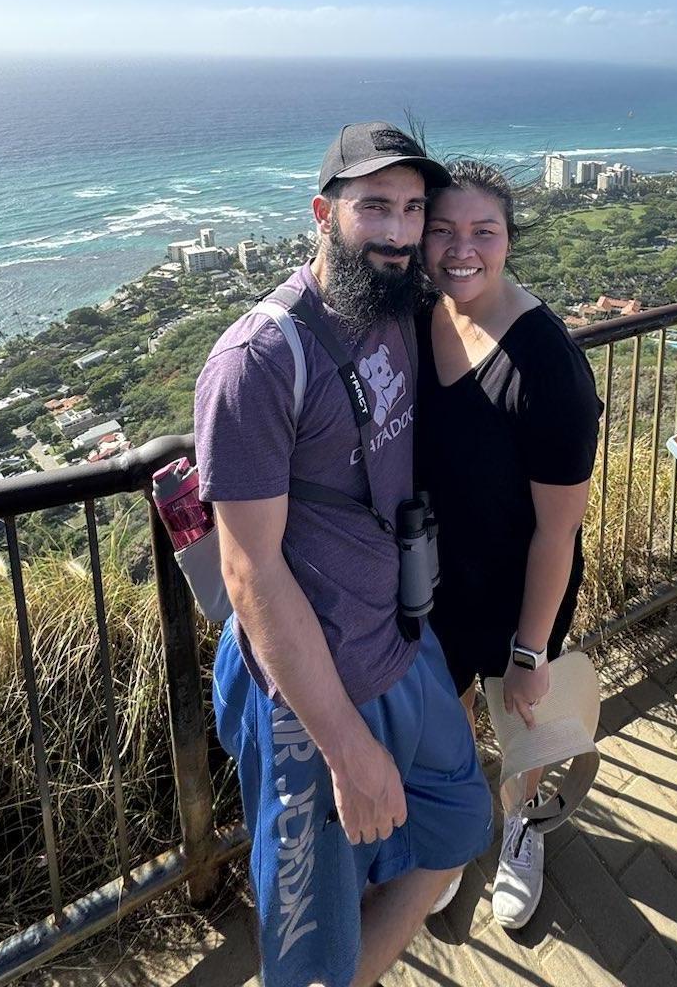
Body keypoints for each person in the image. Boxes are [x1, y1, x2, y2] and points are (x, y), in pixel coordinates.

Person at [195, 123, 493, 987]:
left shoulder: (395, 310)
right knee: (307, 957)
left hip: (400, 644)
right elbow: (249, 574)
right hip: (306, 690)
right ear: (323, 213)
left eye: (411, 208)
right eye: (374, 208)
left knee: (461, 821)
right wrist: (345, 749)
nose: (399, 233)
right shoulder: (258, 361)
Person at [414, 159, 601, 929]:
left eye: (483, 231)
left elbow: (560, 528)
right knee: (451, 713)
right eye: (444, 231)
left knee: (519, 720)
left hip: (522, 585)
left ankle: (523, 826)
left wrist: (529, 651)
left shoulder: (546, 363)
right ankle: (460, 839)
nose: (463, 248)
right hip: (439, 582)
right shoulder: (423, 316)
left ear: (509, 240)